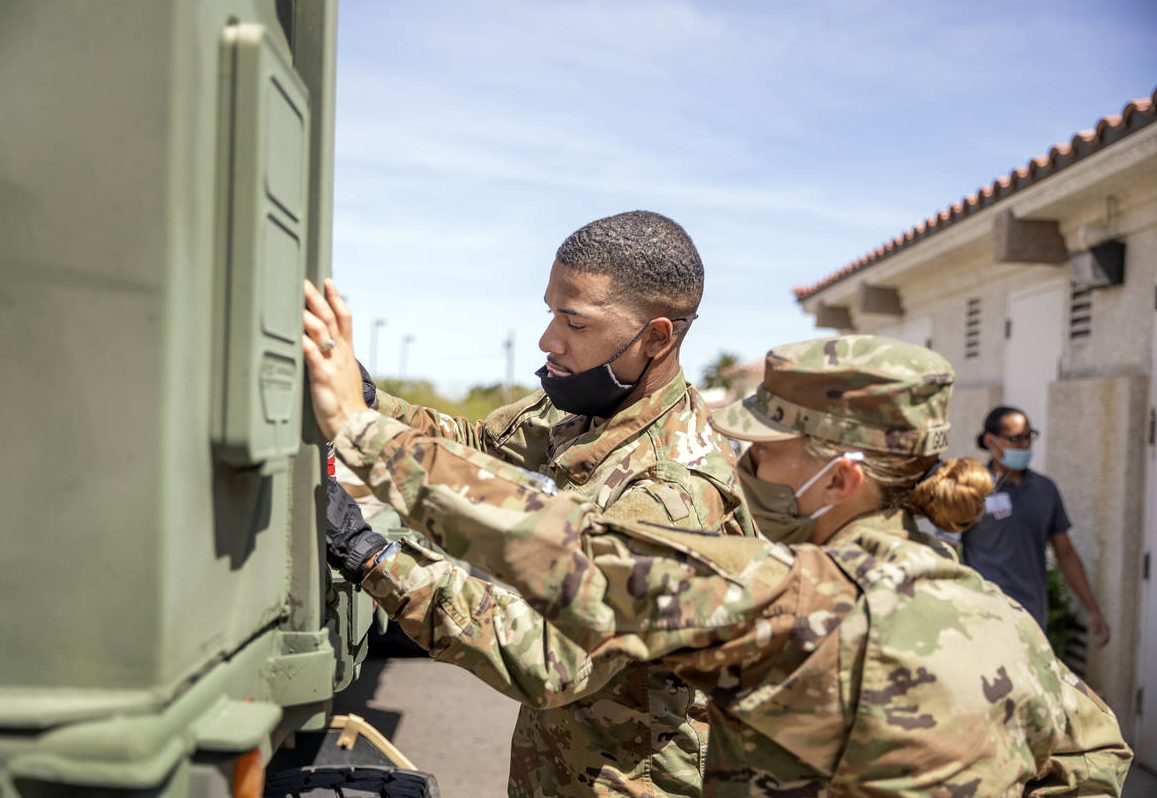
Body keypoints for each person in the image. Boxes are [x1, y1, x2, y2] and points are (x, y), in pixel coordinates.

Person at [304, 320, 1131, 797]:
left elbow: (568, 558)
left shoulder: (790, 602)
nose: (744, 470)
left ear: (840, 477)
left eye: (766, 455)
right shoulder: (999, 616)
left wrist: (364, 441)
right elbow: (1099, 756)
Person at [310, 210, 752, 798]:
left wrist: (370, 555)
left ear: (655, 337)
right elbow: (479, 443)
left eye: (574, 320)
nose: (549, 339)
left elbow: (549, 655)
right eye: (550, 313)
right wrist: (367, 401)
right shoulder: (589, 410)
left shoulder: (672, 494)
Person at [963, 406, 1111, 647]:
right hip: (985, 617)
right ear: (991, 441)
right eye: (1015, 438)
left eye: (1028, 436)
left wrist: (1093, 610)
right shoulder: (971, 489)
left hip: (1033, 620)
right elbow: (946, 548)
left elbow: (1065, 554)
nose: (1025, 445)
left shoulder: (1045, 489)